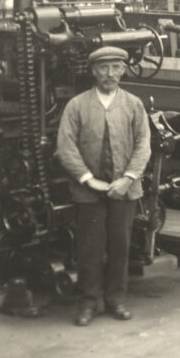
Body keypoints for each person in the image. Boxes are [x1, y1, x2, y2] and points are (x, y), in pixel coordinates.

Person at [54, 45, 151, 325]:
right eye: (104, 68)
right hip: (88, 191)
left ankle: (115, 299)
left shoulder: (133, 104)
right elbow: (66, 147)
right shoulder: (77, 105)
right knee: (89, 248)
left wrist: (128, 178)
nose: (110, 73)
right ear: (94, 71)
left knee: (120, 246)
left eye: (116, 67)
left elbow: (143, 145)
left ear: (123, 70)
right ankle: (89, 302)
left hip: (125, 189)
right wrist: (88, 179)